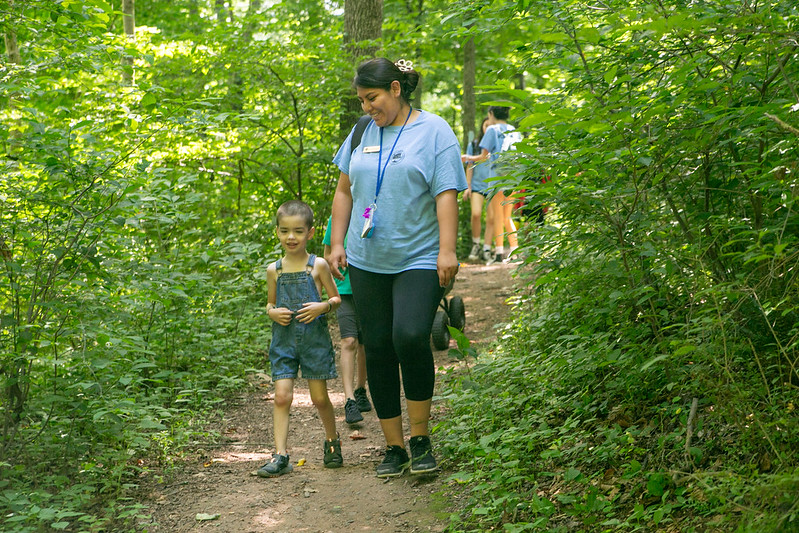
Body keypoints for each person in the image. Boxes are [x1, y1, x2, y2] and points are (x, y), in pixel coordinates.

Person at [327, 57, 466, 478]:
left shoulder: (435, 130)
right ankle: (394, 447)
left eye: (372, 98)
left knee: (408, 336)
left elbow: (446, 193)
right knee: (379, 346)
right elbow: (344, 190)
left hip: (419, 257)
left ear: (395, 88)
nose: (367, 107)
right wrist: (336, 243)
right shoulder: (360, 132)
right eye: (362, 101)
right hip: (367, 260)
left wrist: (447, 250)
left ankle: (421, 439)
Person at [257, 200, 343, 477]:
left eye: (297, 231)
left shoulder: (317, 266)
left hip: (313, 340)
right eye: (284, 231)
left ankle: (332, 441)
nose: (290, 237)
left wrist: (323, 306)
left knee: (319, 398)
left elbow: (336, 298)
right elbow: (269, 304)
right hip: (283, 341)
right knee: (282, 397)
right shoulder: (274, 270)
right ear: (277, 233)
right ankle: (280, 455)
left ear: (311, 233)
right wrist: (272, 313)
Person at [322, 217, 373, 424]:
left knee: (365, 343)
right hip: (344, 289)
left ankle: (361, 390)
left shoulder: (370, 212)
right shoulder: (336, 218)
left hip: (370, 287)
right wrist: (339, 261)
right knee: (348, 341)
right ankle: (349, 399)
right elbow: (326, 254)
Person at [462, 106, 520, 264]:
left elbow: (484, 156)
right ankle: (515, 252)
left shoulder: (492, 130)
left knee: (497, 217)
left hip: (496, 179)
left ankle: (500, 254)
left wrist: (467, 157)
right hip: (513, 178)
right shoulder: (513, 130)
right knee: (507, 217)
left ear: (491, 114)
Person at [463, 118, 495, 262]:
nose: (488, 128)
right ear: (482, 126)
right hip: (476, 186)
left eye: (491, 126)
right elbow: (469, 166)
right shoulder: (474, 145)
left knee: (492, 218)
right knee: (476, 214)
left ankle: (487, 249)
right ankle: (476, 245)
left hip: (493, 187)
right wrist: (467, 186)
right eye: (486, 125)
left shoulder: (497, 145)